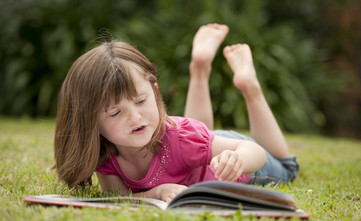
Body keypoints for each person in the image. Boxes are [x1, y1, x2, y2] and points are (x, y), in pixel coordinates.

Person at [54, 24, 298, 203]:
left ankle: (250, 88)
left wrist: (239, 161)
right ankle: (200, 69)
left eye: (141, 100)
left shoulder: (181, 138)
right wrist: (158, 192)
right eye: (115, 113)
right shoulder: (104, 153)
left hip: (239, 163)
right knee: (194, 138)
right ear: (91, 122)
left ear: (155, 91)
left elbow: (257, 154)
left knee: (288, 169)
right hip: (201, 146)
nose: (135, 117)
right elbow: (117, 198)